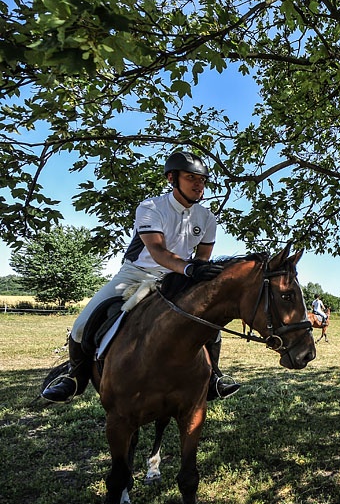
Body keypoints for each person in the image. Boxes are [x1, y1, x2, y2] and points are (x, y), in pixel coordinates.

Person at [41, 151, 241, 403]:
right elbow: (157, 251)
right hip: (136, 274)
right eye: (191, 178)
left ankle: (214, 376)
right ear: (172, 178)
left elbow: (202, 257)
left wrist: (199, 272)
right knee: (82, 324)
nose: (199, 185)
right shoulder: (151, 207)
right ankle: (75, 377)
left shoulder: (207, 218)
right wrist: (190, 269)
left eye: (202, 180)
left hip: (177, 279)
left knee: (211, 324)